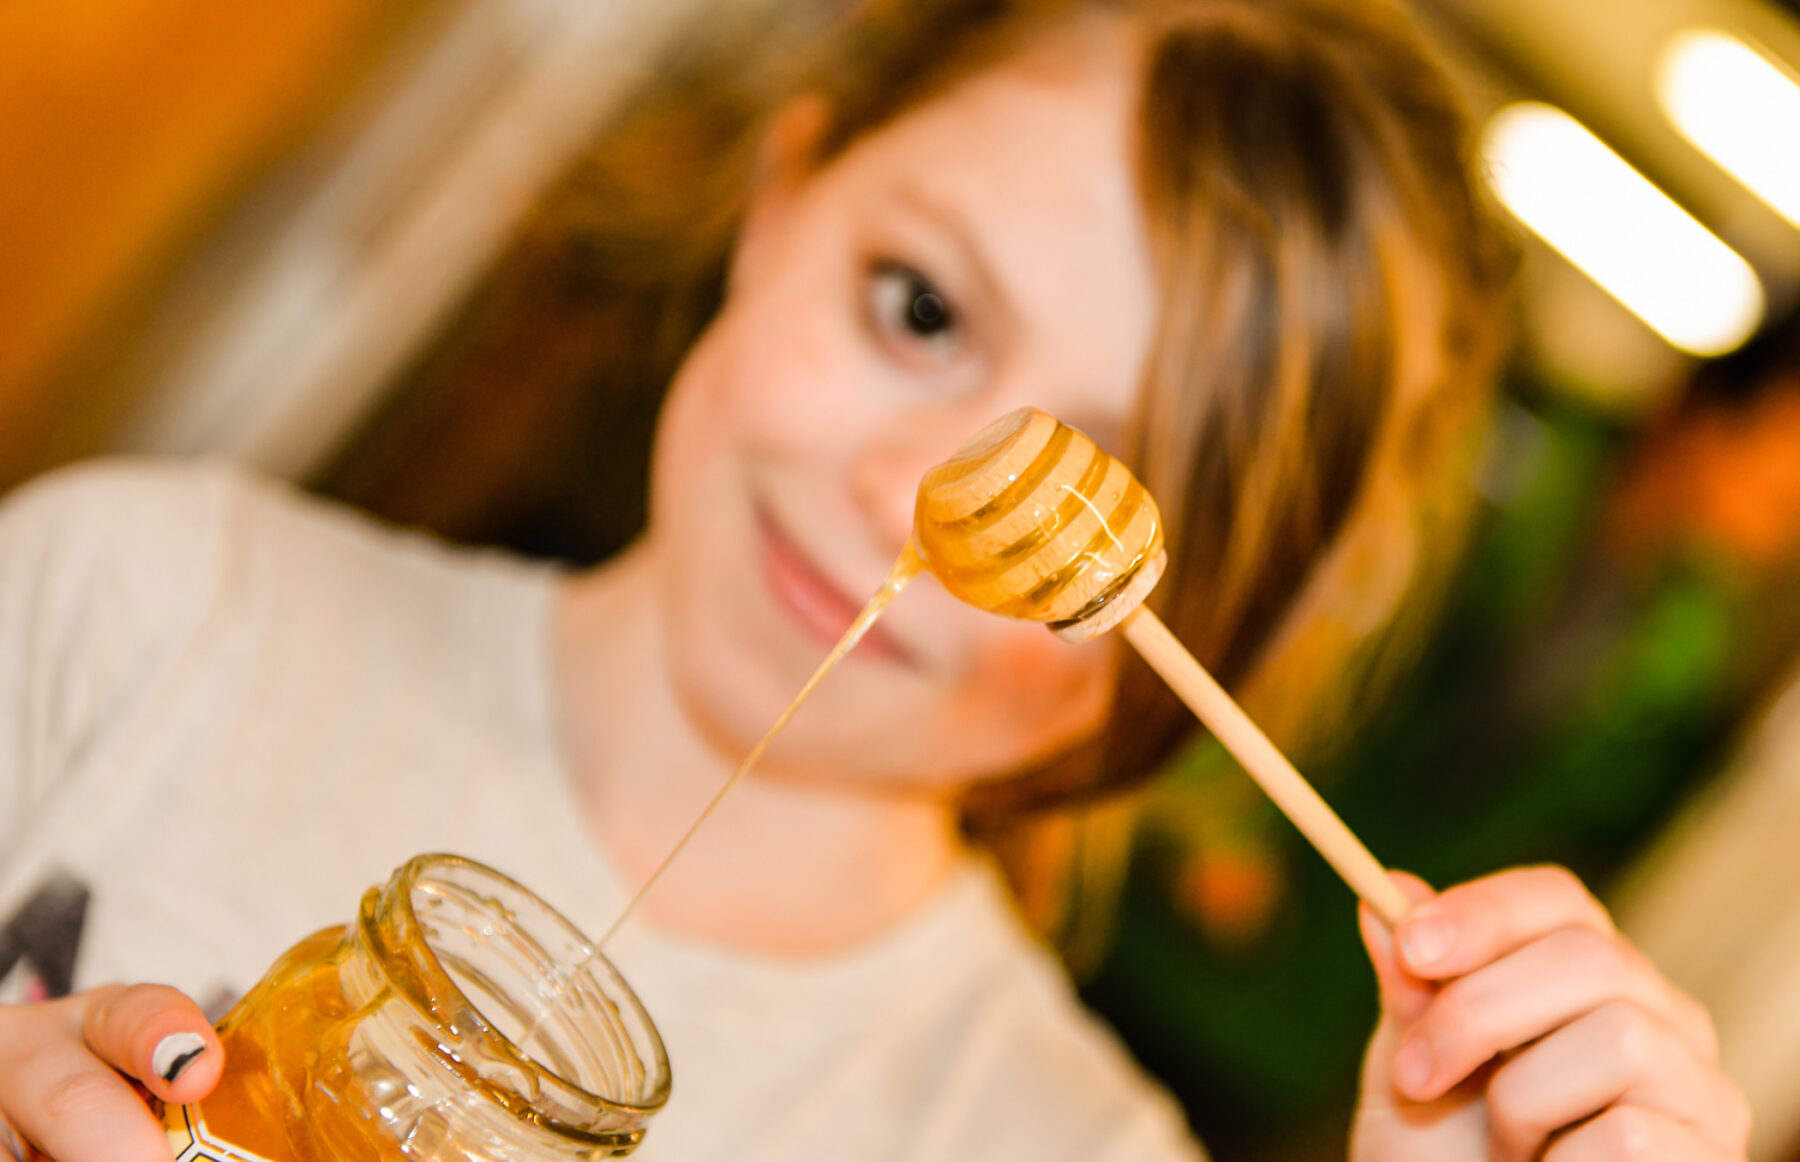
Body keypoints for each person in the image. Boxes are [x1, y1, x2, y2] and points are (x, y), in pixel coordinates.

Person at [0, 0, 1752, 1159]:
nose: (910, 492)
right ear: (782, 201)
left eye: (1092, 483)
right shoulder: (145, 596)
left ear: (1192, 629)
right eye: (918, 308)